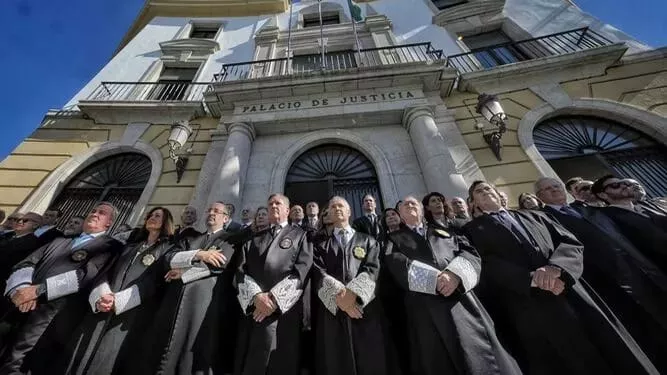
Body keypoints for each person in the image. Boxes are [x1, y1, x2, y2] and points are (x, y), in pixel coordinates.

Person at [464, 181, 658, 375]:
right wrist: (532, 278)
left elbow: (569, 242)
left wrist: (557, 268)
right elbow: (486, 263)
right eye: (479, 192)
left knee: (611, 345)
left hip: (571, 287)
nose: (485, 192)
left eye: (488, 188)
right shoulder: (470, 231)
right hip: (529, 301)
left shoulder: (536, 215)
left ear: (499, 195)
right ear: (473, 204)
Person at [536, 176, 667, 372]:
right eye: (548, 189)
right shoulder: (542, 219)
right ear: (540, 196)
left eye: (557, 186)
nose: (555, 190)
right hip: (604, 283)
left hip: (640, 271)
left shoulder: (591, 209)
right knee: (644, 332)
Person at [384, 196, 521, 375]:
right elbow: (396, 263)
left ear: (422, 209)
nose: (409, 205)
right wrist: (436, 281)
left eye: (413, 203)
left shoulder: (445, 230)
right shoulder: (393, 239)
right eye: (404, 204)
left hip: (462, 299)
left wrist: (455, 275)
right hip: (425, 306)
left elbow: (469, 252)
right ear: (400, 214)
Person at [1, 202, 122, 375]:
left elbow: (85, 276)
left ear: (109, 223)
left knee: (17, 362)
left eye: (101, 213)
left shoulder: (110, 246)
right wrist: (21, 288)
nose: (94, 214)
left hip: (52, 316)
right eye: (93, 210)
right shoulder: (61, 240)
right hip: (18, 304)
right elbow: (27, 262)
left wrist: (37, 291)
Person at [61, 207, 177, 375]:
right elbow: (106, 272)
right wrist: (103, 295)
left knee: (107, 359)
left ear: (166, 222)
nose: (152, 218)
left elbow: (155, 281)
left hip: (130, 314)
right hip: (103, 305)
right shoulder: (130, 246)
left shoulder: (168, 250)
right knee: (78, 355)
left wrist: (119, 301)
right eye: (150, 215)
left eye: (158, 216)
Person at [139, 201, 239, 375]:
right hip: (174, 298)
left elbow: (219, 264)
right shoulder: (191, 239)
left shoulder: (230, 239)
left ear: (226, 218)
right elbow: (169, 258)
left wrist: (183, 272)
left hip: (203, 301)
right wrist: (199, 254)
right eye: (209, 209)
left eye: (216, 211)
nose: (211, 213)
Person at [234, 193, 313, 375]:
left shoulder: (301, 235)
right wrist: (257, 297)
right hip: (255, 312)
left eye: (278, 203)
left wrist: (274, 299)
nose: (274, 206)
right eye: (270, 204)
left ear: (287, 210)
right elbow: (240, 271)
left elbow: (303, 270)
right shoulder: (253, 239)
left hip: (284, 312)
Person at [311, 196, 390, 375]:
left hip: (363, 308)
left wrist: (353, 295)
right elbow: (317, 271)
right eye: (332, 206)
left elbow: (373, 268)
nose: (337, 208)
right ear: (328, 213)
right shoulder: (319, 244)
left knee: (369, 358)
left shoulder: (368, 240)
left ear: (349, 211)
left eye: (341, 206)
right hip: (333, 309)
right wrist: (341, 297)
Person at [592, 175, 667, 272]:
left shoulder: (646, 205)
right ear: (603, 195)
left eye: (624, 183)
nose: (624, 186)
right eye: (615, 185)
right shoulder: (606, 217)